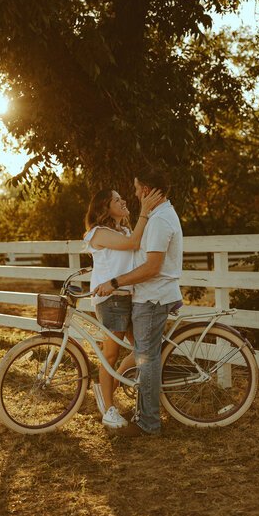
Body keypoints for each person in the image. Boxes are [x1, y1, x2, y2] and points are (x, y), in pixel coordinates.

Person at [93, 165, 183, 436]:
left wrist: (115, 282)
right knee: (144, 355)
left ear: (145, 190)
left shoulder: (157, 220)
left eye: (134, 189)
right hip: (147, 296)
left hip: (152, 297)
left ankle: (148, 423)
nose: (132, 194)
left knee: (147, 359)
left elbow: (152, 267)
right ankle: (141, 412)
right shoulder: (157, 217)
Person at [84, 186, 163, 429]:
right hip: (111, 300)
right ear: (104, 208)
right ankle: (108, 409)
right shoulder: (97, 233)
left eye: (121, 198)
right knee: (110, 354)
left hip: (131, 296)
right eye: (116, 200)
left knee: (143, 349)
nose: (123, 201)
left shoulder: (126, 229)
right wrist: (146, 211)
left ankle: (108, 385)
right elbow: (132, 243)